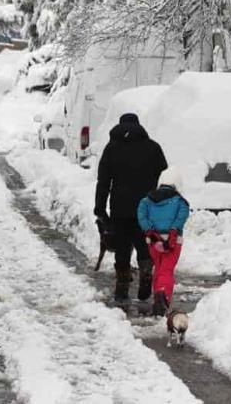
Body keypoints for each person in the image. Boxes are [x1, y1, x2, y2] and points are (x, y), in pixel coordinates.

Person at [94, 113, 167, 302]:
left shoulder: (112, 148)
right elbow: (164, 178)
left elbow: (103, 181)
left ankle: (122, 286)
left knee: (122, 248)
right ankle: (145, 273)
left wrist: (100, 208)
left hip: (120, 208)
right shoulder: (153, 147)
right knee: (144, 245)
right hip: (147, 208)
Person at [137, 167, 190, 317]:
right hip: (172, 242)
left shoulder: (146, 201)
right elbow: (181, 217)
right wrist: (173, 231)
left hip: (153, 241)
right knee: (167, 270)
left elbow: (141, 215)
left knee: (159, 269)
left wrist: (150, 230)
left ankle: (157, 297)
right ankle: (163, 296)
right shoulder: (180, 202)